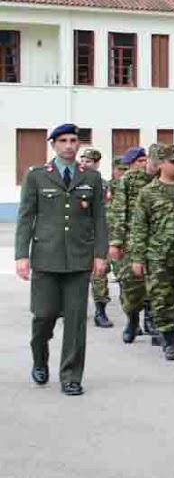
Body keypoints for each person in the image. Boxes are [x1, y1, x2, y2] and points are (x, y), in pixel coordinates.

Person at [15, 123, 107, 394]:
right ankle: (40, 358)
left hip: (79, 260)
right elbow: (26, 217)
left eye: (73, 140)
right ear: (53, 144)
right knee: (43, 316)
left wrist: (100, 254)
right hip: (46, 258)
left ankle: (71, 376)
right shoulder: (37, 176)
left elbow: (99, 219)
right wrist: (22, 255)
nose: (69, 145)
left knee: (76, 321)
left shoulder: (90, 178)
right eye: (63, 140)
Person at [129, 144, 174, 361]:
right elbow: (140, 226)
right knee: (160, 299)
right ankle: (169, 338)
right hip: (157, 255)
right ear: (161, 164)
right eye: (173, 161)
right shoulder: (148, 193)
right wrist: (137, 257)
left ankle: (169, 326)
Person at [107, 145, 156, 343]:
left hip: (154, 241)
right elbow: (118, 212)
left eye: (145, 160)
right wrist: (116, 242)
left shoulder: (159, 178)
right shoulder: (127, 181)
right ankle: (133, 320)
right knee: (131, 284)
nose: (142, 165)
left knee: (154, 283)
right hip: (131, 241)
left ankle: (151, 320)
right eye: (138, 162)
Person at [78, 146, 115, 329]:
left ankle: (100, 311)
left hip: (97, 234)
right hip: (77, 235)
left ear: (97, 164)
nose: (84, 164)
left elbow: (106, 210)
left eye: (88, 161)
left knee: (99, 273)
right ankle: (72, 309)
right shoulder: (72, 180)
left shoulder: (102, 184)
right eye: (82, 160)